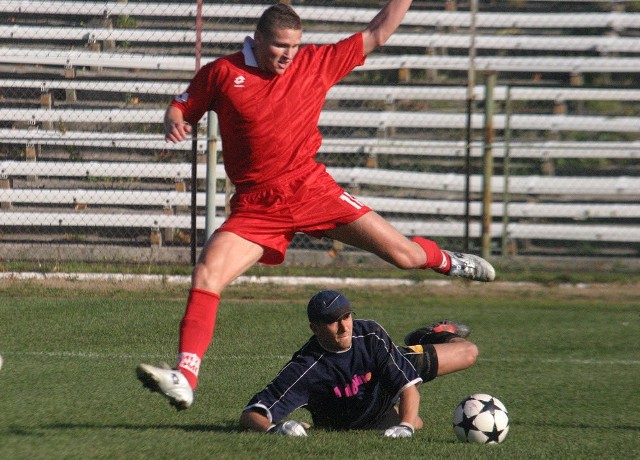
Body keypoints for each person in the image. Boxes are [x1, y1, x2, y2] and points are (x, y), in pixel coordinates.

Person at [136, 1, 494, 411]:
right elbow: (182, 104)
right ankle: (185, 377)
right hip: (258, 206)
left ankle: (450, 261)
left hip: (311, 190)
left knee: (406, 256)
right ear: (257, 39)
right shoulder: (223, 72)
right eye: (279, 46)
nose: (287, 55)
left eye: (294, 46)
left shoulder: (315, 62)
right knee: (206, 273)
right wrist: (173, 117)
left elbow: (378, 32)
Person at [239, 290, 478, 437]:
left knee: (468, 352)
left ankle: (432, 333)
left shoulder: (370, 336)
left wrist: (405, 427)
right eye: (333, 322)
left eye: (346, 317)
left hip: (393, 362)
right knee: (418, 422)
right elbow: (252, 414)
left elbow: (409, 390)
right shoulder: (306, 368)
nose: (344, 327)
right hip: (365, 412)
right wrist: (273, 431)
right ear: (314, 328)